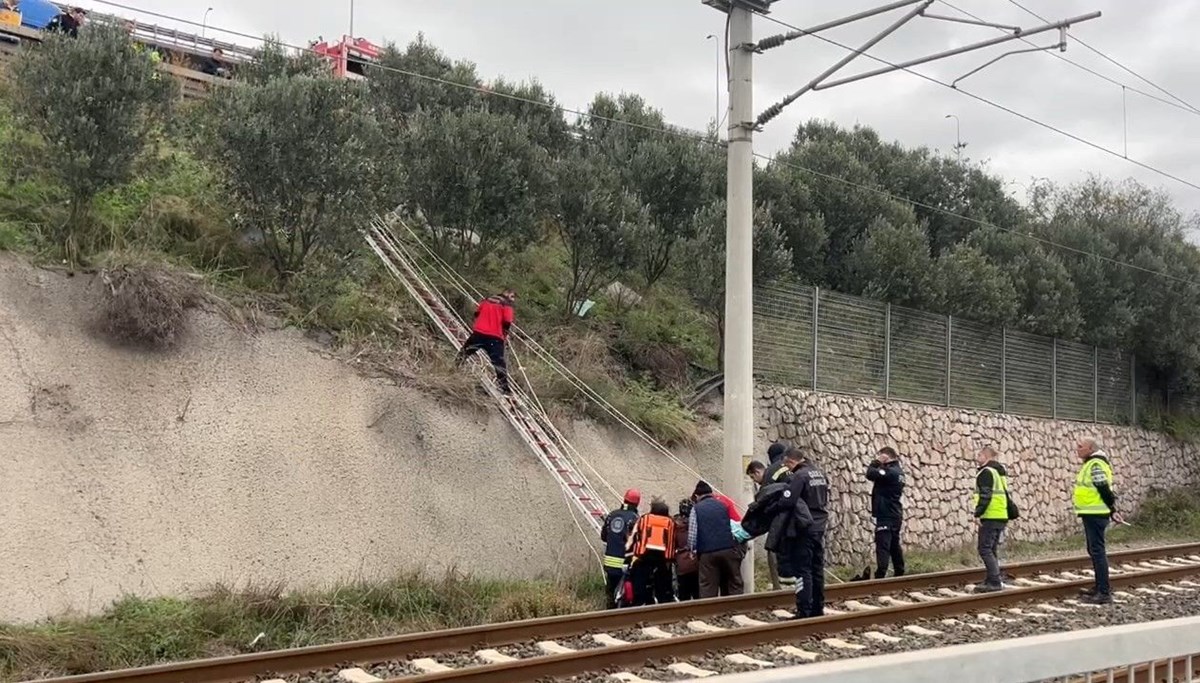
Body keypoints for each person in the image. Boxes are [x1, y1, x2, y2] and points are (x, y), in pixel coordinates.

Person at [777, 447, 829, 619]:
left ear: (791, 461)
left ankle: (804, 610)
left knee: (802, 569)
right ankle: (817, 607)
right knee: (817, 568)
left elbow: (788, 500)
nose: (787, 468)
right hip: (819, 525)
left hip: (804, 527)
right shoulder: (819, 473)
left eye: (787, 465)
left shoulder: (799, 476)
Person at [1074, 436, 1121, 605]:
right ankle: (1100, 587)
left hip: (1096, 513)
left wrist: (1112, 509)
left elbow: (1103, 489)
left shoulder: (1096, 464)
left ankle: (1103, 591)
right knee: (1094, 550)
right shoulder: (1091, 463)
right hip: (1091, 512)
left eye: (1081, 446)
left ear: (1090, 449)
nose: (1077, 449)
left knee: (1098, 552)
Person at [455, 289, 516, 395]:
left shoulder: (487, 300)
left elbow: (477, 313)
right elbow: (507, 322)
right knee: (499, 363)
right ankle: (504, 388)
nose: (513, 299)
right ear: (508, 294)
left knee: (464, 353)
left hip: (478, 333)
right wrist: (505, 334)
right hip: (495, 337)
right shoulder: (507, 305)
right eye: (513, 296)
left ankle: (453, 369)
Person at [688, 482, 743, 597]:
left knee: (708, 585)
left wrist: (692, 550)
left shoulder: (696, 509)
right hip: (728, 549)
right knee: (733, 582)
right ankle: (737, 609)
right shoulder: (723, 504)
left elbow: (693, 533)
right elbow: (734, 525)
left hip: (707, 553)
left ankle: (710, 612)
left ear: (697, 496)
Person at [972, 446, 1010, 593]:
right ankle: (992, 578)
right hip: (1001, 514)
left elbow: (985, 495)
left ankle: (994, 581)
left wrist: (978, 513)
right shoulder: (999, 472)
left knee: (984, 549)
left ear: (985, 456)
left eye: (979, 454)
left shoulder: (986, 473)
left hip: (990, 515)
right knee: (991, 548)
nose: (977, 457)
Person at [626, 498, 676, 605]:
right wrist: (669, 561)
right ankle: (663, 601)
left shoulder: (644, 519)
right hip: (662, 559)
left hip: (644, 557)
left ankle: (637, 603)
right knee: (663, 586)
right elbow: (671, 543)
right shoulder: (670, 522)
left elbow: (635, 535)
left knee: (638, 583)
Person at [866, 446, 906, 579]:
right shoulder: (899, 472)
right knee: (894, 543)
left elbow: (870, 474)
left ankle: (880, 575)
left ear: (886, 456)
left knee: (883, 544)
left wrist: (876, 463)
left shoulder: (890, 471)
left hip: (886, 513)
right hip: (895, 513)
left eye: (880, 456)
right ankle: (899, 572)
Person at [599, 489, 640, 609]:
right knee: (627, 594)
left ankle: (609, 613)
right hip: (625, 563)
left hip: (610, 563)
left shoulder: (611, 515)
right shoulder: (635, 518)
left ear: (624, 499)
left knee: (611, 592)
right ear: (637, 503)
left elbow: (604, 536)